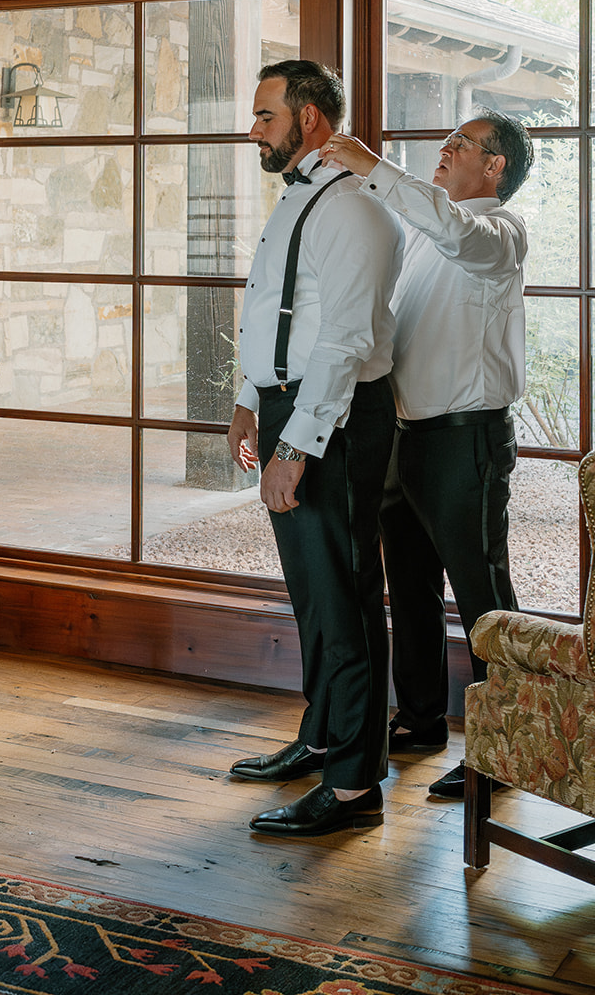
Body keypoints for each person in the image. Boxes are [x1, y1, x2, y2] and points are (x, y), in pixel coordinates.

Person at [319, 111, 533, 799]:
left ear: (494, 166)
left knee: (483, 599)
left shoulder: (496, 233)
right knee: (408, 590)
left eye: (460, 144)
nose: (444, 149)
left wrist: (368, 164)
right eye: (445, 141)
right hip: (404, 438)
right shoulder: (423, 232)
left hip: (465, 440)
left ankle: (504, 751)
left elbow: (452, 228)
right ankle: (418, 719)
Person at [225, 60, 403, 838]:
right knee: (312, 595)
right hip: (285, 407)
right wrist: (245, 405)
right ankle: (322, 737)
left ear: (312, 119)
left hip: (333, 417)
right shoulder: (297, 200)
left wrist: (295, 445)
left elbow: (345, 341)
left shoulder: (354, 211)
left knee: (347, 595)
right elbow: (270, 310)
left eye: (266, 115)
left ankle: (356, 786)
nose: (253, 129)